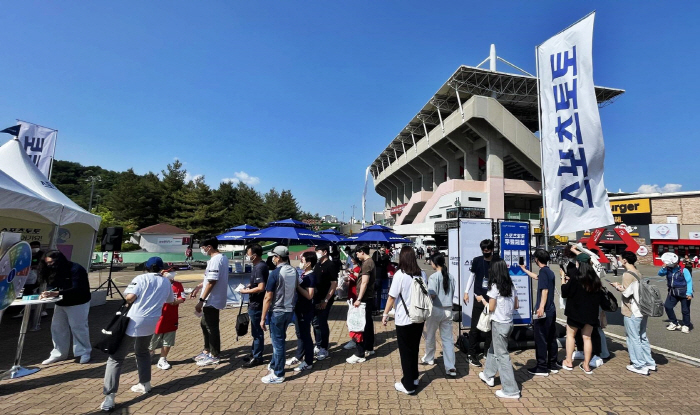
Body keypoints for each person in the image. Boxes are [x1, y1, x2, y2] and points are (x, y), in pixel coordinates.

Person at [100, 257, 174, 411]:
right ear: (161, 268)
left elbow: (130, 297)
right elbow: (170, 300)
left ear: (146, 266)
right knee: (142, 352)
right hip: (152, 321)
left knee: (116, 358)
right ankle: (145, 383)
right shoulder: (166, 281)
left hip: (133, 320)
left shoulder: (140, 278)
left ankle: (110, 396)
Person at [382, 246, 427, 395]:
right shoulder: (421, 274)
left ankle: (408, 385)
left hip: (404, 319)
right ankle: (414, 377)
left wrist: (385, 313)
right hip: (419, 318)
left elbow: (391, 297)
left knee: (405, 353)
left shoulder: (400, 275)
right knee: (414, 349)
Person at [38, 250, 92, 365]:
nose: (49, 265)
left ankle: (83, 352)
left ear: (59, 261)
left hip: (78, 302)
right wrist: (48, 292)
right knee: (57, 328)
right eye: (47, 263)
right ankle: (59, 353)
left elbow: (77, 288)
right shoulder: (53, 271)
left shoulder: (76, 269)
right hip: (61, 303)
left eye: (51, 262)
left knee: (78, 328)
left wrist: (56, 293)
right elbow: (52, 285)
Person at [478, 259, 520, 399]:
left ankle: (510, 390)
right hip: (509, 323)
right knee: (493, 348)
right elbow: (516, 306)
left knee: (503, 356)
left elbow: (491, 308)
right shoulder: (511, 285)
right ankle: (488, 374)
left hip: (499, 324)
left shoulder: (494, 286)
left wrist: (483, 301)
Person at [610, 251, 656, 376]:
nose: (619, 260)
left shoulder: (627, 274)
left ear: (625, 260)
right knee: (642, 336)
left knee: (633, 337)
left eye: (620, 258)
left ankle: (639, 364)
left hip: (632, 310)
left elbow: (627, 293)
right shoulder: (638, 272)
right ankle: (649, 362)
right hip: (643, 309)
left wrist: (617, 286)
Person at [560, 253, 606, 374]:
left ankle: (569, 362)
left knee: (570, 335)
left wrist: (563, 279)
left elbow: (565, 292)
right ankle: (586, 365)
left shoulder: (576, 277)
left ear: (578, 263)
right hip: (590, 313)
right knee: (587, 338)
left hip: (575, 312)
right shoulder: (595, 279)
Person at [260, 246, 298, 384]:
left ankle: (278, 374)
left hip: (277, 311)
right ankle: (274, 365)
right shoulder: (294, 271)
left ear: (278, 257)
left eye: (274, 256)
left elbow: (268, 297)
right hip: (289, 310)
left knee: (278, 343)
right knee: (280, 339)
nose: (272, 259)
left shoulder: (275, 273)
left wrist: (263, 318)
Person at [190, 237, 229, 366]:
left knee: (211, 327)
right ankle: (207, 350)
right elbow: (209, 279)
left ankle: (214, 354)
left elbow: (212, 282)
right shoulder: (220, 258)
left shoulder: (216, 260)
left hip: (212, 299)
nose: (202, 250)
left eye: (203, 248)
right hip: (211, 298)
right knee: (204, 324)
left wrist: (201, 300)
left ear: (209, 247)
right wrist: (199, 287)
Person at [520, 249, 559, 376]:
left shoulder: (543, 272)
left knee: (541, 338)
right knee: (551, 337)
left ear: (537, 259)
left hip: (545, 311)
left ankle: (541, 367)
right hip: (551, 310)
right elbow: (536, 277)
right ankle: (552, 364)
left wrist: (541, 307)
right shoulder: (548, 272)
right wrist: (524, 270)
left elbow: (545, 290)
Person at [422, 253, 457, 376]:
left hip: (436, 309)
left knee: (430, 334)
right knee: (447, 339)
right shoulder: (451, 277)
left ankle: (429, 358)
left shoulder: (433, 277)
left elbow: (432, 294)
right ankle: (450, 366)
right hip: (448, 310)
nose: (430, 264)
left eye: (431, 262)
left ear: (435, 263)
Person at [462, 239, 495, 367]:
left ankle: (487, 352)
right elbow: (472, 276)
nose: (485, 251)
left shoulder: (497, 261)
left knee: (491, 327)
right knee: (474, 327)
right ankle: (471, 354)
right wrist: (466, 292)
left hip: (492, 299)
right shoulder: (477, 260)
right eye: (483, 249)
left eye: (487, 249)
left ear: (492, 249)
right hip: (479, 298)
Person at [149, 268, 185, 370]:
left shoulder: (178, 285)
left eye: (172, 272)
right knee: (153, 339)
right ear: (162, 273)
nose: (170, 274)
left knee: (168, 339)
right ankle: (149, 354)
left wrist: (174, 302)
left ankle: (162, 359)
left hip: (171, 316)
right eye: (168, 271)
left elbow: (182, 298)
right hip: (157, 317)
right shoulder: (157, 284)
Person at [286, 251, 317, 372]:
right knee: (299, 334)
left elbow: (310, 295)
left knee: (305, 336)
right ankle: (299, 356)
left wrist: (297, 286)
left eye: (302, 260)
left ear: (308, 263)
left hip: (306, 310)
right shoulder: (304, 274)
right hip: (299, 308)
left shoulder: (311, 276)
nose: (300, 262)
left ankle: (308, 361)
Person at [240, 243, 269, 368]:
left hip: (257, 304)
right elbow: (258, 285)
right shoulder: (258, 266)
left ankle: (257, 357)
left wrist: (246, 291)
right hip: (255, 303)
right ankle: (254, 353)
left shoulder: (259, 267)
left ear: (254, 255)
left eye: (248, 253)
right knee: (255, 332)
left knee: (257, 333)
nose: (247, 255)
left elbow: (261, 287)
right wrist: (250, 286)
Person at [346, 245, 376, 364]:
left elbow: (364, 282)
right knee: (367, 324)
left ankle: (360, 353)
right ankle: (369, 347)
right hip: (367, 297)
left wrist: (359, 298)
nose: (356, 256)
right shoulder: (369, 262)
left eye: (357, 254)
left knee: (359, 325)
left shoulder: (367, 263)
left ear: (362, 252)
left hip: (364, 298)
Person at [312, 244, 338, 361]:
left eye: (318, 251)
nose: (316, 253)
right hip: (315, 297)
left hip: (325, 298)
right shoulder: (317, 265)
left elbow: (333, 284)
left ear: (325, 252)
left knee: (322, 322)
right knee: (315, 322)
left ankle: (324, 347)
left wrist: (326, 300)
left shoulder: (330, 265)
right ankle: (318, 344)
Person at [659, 252, 693, 333]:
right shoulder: (668, 269)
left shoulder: (684, 270)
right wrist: (663, 268)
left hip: (684, 292)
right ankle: (674, 323)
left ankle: (686, 325)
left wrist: (689, 293)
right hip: (672, 292)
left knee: (685, 310)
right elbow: (660, 274)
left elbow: (689, 282)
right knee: (668, 306)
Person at [343, 254, 362, 351]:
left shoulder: (359, 268)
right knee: (351, 319)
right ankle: (355, 339)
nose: (351, 260)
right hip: (351, 296)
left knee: (354, 319)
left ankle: (355, 340)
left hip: (355, 296)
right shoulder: (354, 268)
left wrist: (351, 273)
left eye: (352, 258)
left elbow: (359, 278)